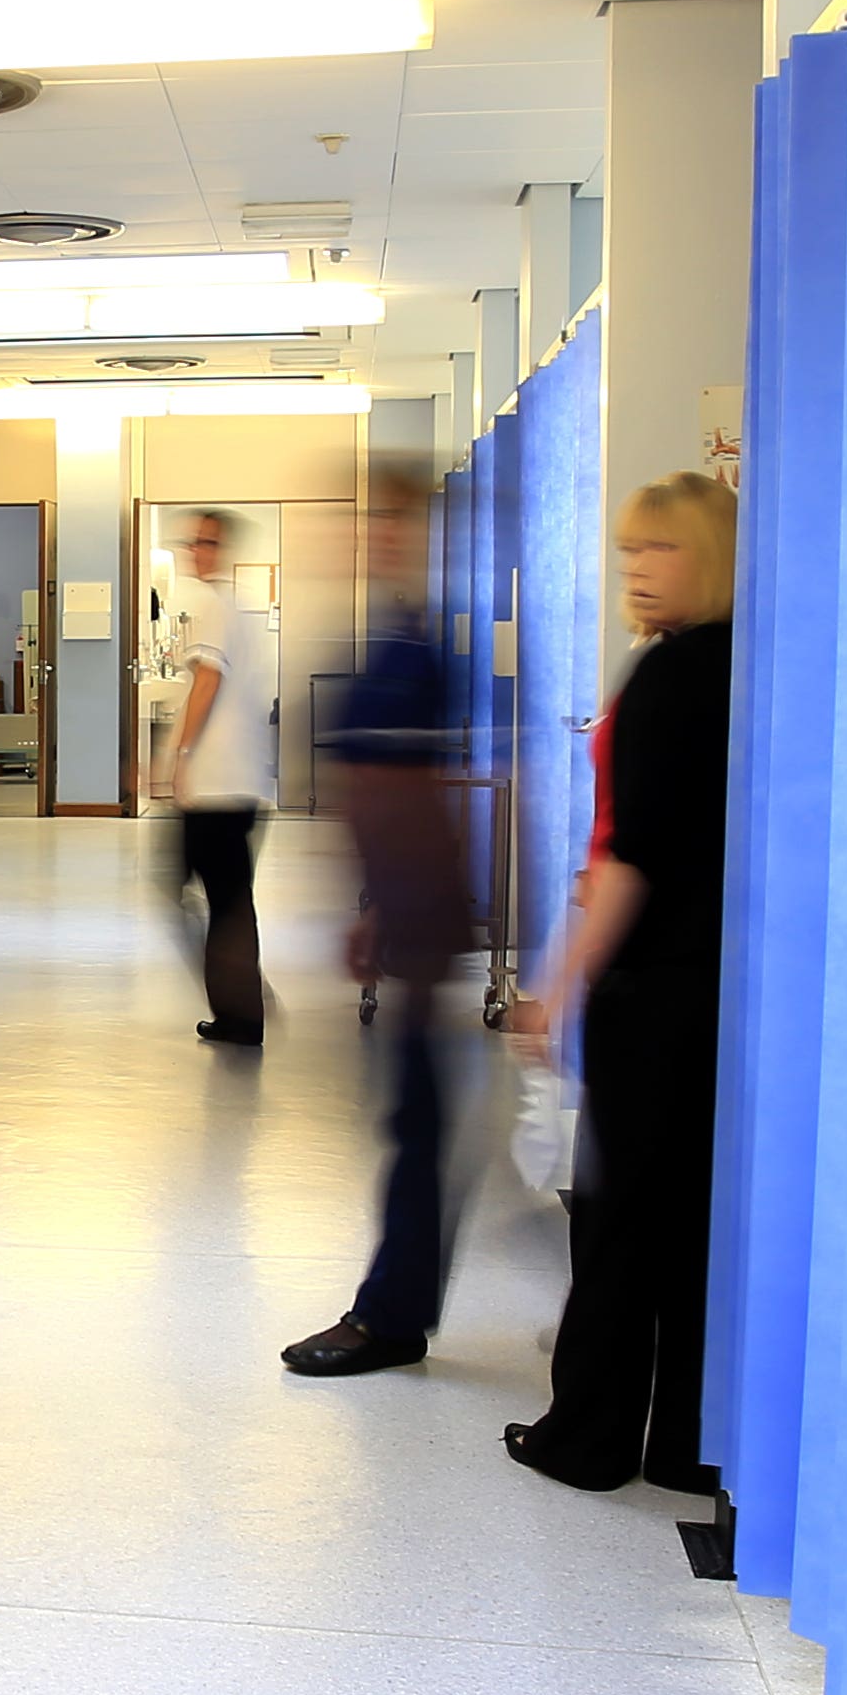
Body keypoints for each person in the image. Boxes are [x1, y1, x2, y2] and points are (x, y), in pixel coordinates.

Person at [501, 472, 738, 1493]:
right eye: (630, 551)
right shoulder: (744, 665)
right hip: (717, 983)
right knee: (690, 1220)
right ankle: (688, 1441)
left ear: (711, 556)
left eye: (660, 548)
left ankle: (586, 1437)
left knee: (616, 1218)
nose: (636, 569)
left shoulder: (670, 675)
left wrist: (557, 986)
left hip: (653, 989)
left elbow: (631, 860)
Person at [283, 489, 474, 1377]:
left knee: (419, 1118)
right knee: (416, 1115)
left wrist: (399, 911)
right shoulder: (391, 641)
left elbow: (404, 797)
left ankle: (391, 1317)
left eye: (384, 524)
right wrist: (370, 906)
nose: (363, 540)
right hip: (405, 905)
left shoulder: (408, 652)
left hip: (420, 911)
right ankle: (395, 1306)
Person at [156, 509, 276, 1046]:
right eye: (194, 542)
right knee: (224, 899)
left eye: (206, 543)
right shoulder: (236, 609)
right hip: (237, 783)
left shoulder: (212, 606)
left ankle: (242, 1008)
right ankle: (241, 1001)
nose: (196, 551)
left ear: (223, 551)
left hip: (217, 787)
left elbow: (207, 681)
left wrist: (181, 755)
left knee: (208, 897)